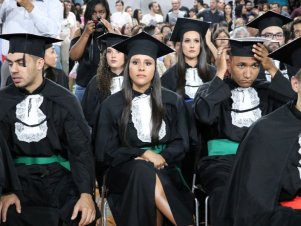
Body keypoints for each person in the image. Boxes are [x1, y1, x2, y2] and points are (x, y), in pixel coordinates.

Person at [94, 31, 194, 226]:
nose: (141, 68)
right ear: (127, 66)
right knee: (141, 169)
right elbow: (105, 151)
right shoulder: (111, 105)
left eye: (147, 63)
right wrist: (144, 153)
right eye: (135, 62)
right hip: (124, 173)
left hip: (166, 168)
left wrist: (162, 157)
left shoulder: (172, 101)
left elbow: (182, 142)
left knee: (146, 175)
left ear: (155, 68)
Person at [193, 37, 296, 224]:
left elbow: (295, 106)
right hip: (221, 163)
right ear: (229, 63)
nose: (248, 73)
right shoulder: (210, 90)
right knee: (226, 192)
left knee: (271, 193)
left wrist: (271, 68)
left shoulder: (266, 91)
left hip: (261, 163)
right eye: (241, 65)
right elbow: (205, 116)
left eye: (255, 66)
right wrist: (220, 72)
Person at [0, 33, 96, 226]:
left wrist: (86, 194)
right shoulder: (2, 101)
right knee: (8, 215)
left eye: (21, 63)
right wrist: (5, 191)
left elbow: (80, 150)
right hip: (17, 180)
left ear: (39, 63)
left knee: (79, 216)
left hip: (58, 178)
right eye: (10, 64)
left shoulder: (64, 100)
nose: (14, 70)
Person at [161, 18, 216, 185]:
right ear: (180, 45)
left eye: (196, 41)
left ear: (201, 45)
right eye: (187, 41)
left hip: (208, 135)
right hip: (180, 136)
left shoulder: (213, 74)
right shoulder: (169, 76)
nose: (192, 45)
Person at [0, 0, 63, 88]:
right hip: (10, 62)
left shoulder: (53, 3)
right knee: (6, 99)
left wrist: (29, 7)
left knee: (38, 99)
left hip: (37, 64)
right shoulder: (8, 2)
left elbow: (52, 31)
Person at [69, 0, 114, 102]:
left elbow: (121, 57)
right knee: (82, 117)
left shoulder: (113, 30)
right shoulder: (80, 32)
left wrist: (111, 32)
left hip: (108, 86)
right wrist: (86, 34)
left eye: (101, 12)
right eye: (94, 13)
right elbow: (73, 56)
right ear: (88, 14)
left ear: (107, 13)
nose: (98, 16)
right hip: (84, 85)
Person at [247, 10, 293, 81]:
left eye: (278, 35)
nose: (274, 39)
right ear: (259, 38)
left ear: (284, 38)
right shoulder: (251, 64)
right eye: (268, 35)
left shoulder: (294, 63)